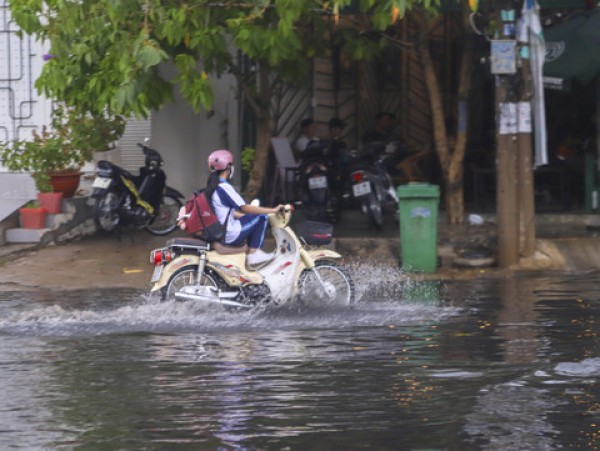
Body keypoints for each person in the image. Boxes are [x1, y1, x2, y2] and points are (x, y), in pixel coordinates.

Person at [205, 149, 283, 267]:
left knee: (254, 218)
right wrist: (273, 210)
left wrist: (246, 217)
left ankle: (251, 252)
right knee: (262, 216)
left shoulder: (211, 187)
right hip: (228, 234)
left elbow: (226, 213)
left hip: (219, 232)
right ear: (228, 167)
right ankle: (254, 253)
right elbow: (245, 208)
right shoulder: (224, 187)